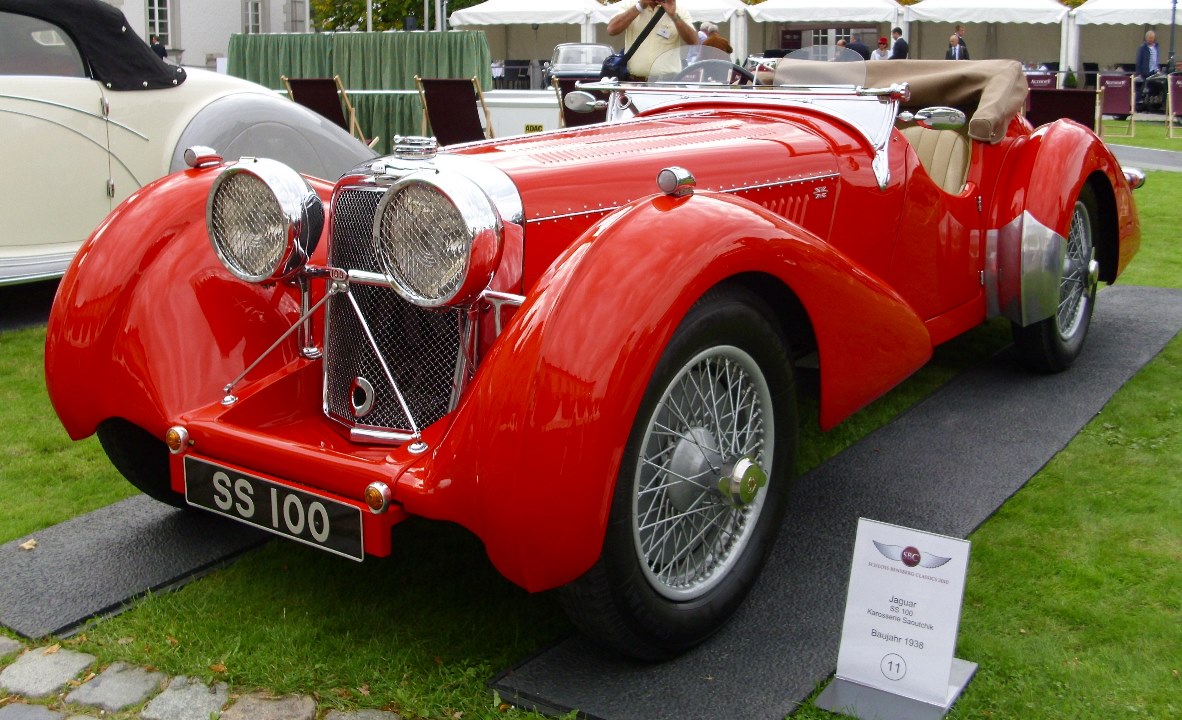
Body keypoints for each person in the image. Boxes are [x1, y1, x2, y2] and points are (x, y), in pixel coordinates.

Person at [607, 0, 697, 80]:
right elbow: (611, 29)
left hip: (667, 83)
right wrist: (639, 7)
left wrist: (674, 16)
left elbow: (694, 41)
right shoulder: (630, 4)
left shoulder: (679, 9)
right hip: (636, 82)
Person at [1136, 29, 1160, 107]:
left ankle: (1151, 104)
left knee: (1154, 87)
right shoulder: (1143, 48)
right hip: (1145, 72)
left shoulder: (1156, 47)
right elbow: (1139, 60)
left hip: (1154, 71)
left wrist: (1157, 69)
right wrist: (1139, 73)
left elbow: (1156, 59)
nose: (1151, 39)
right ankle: (1136, 104)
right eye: (1149, 38)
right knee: (1142, 89)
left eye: (1152, 38)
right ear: (1146, 38)